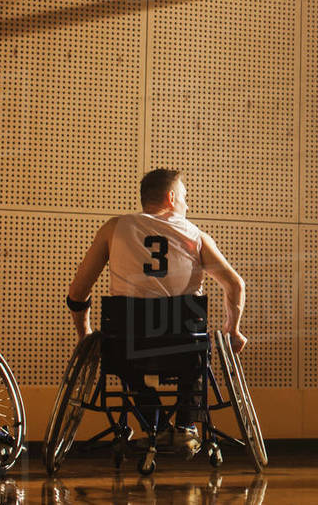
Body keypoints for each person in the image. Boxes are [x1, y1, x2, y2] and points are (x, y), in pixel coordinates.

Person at [66, 169, 248, 454]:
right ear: (171, 197)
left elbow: (77, 293)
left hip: (129, 348)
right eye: (185, 197)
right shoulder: (197, 236)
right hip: (183, 348)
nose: (188, 205)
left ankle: (158, 426)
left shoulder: (114, 228)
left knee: (124, 357)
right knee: (197, 349)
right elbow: (235, 284)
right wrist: (232, 329)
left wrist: (85, 334)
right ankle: (186, 426)